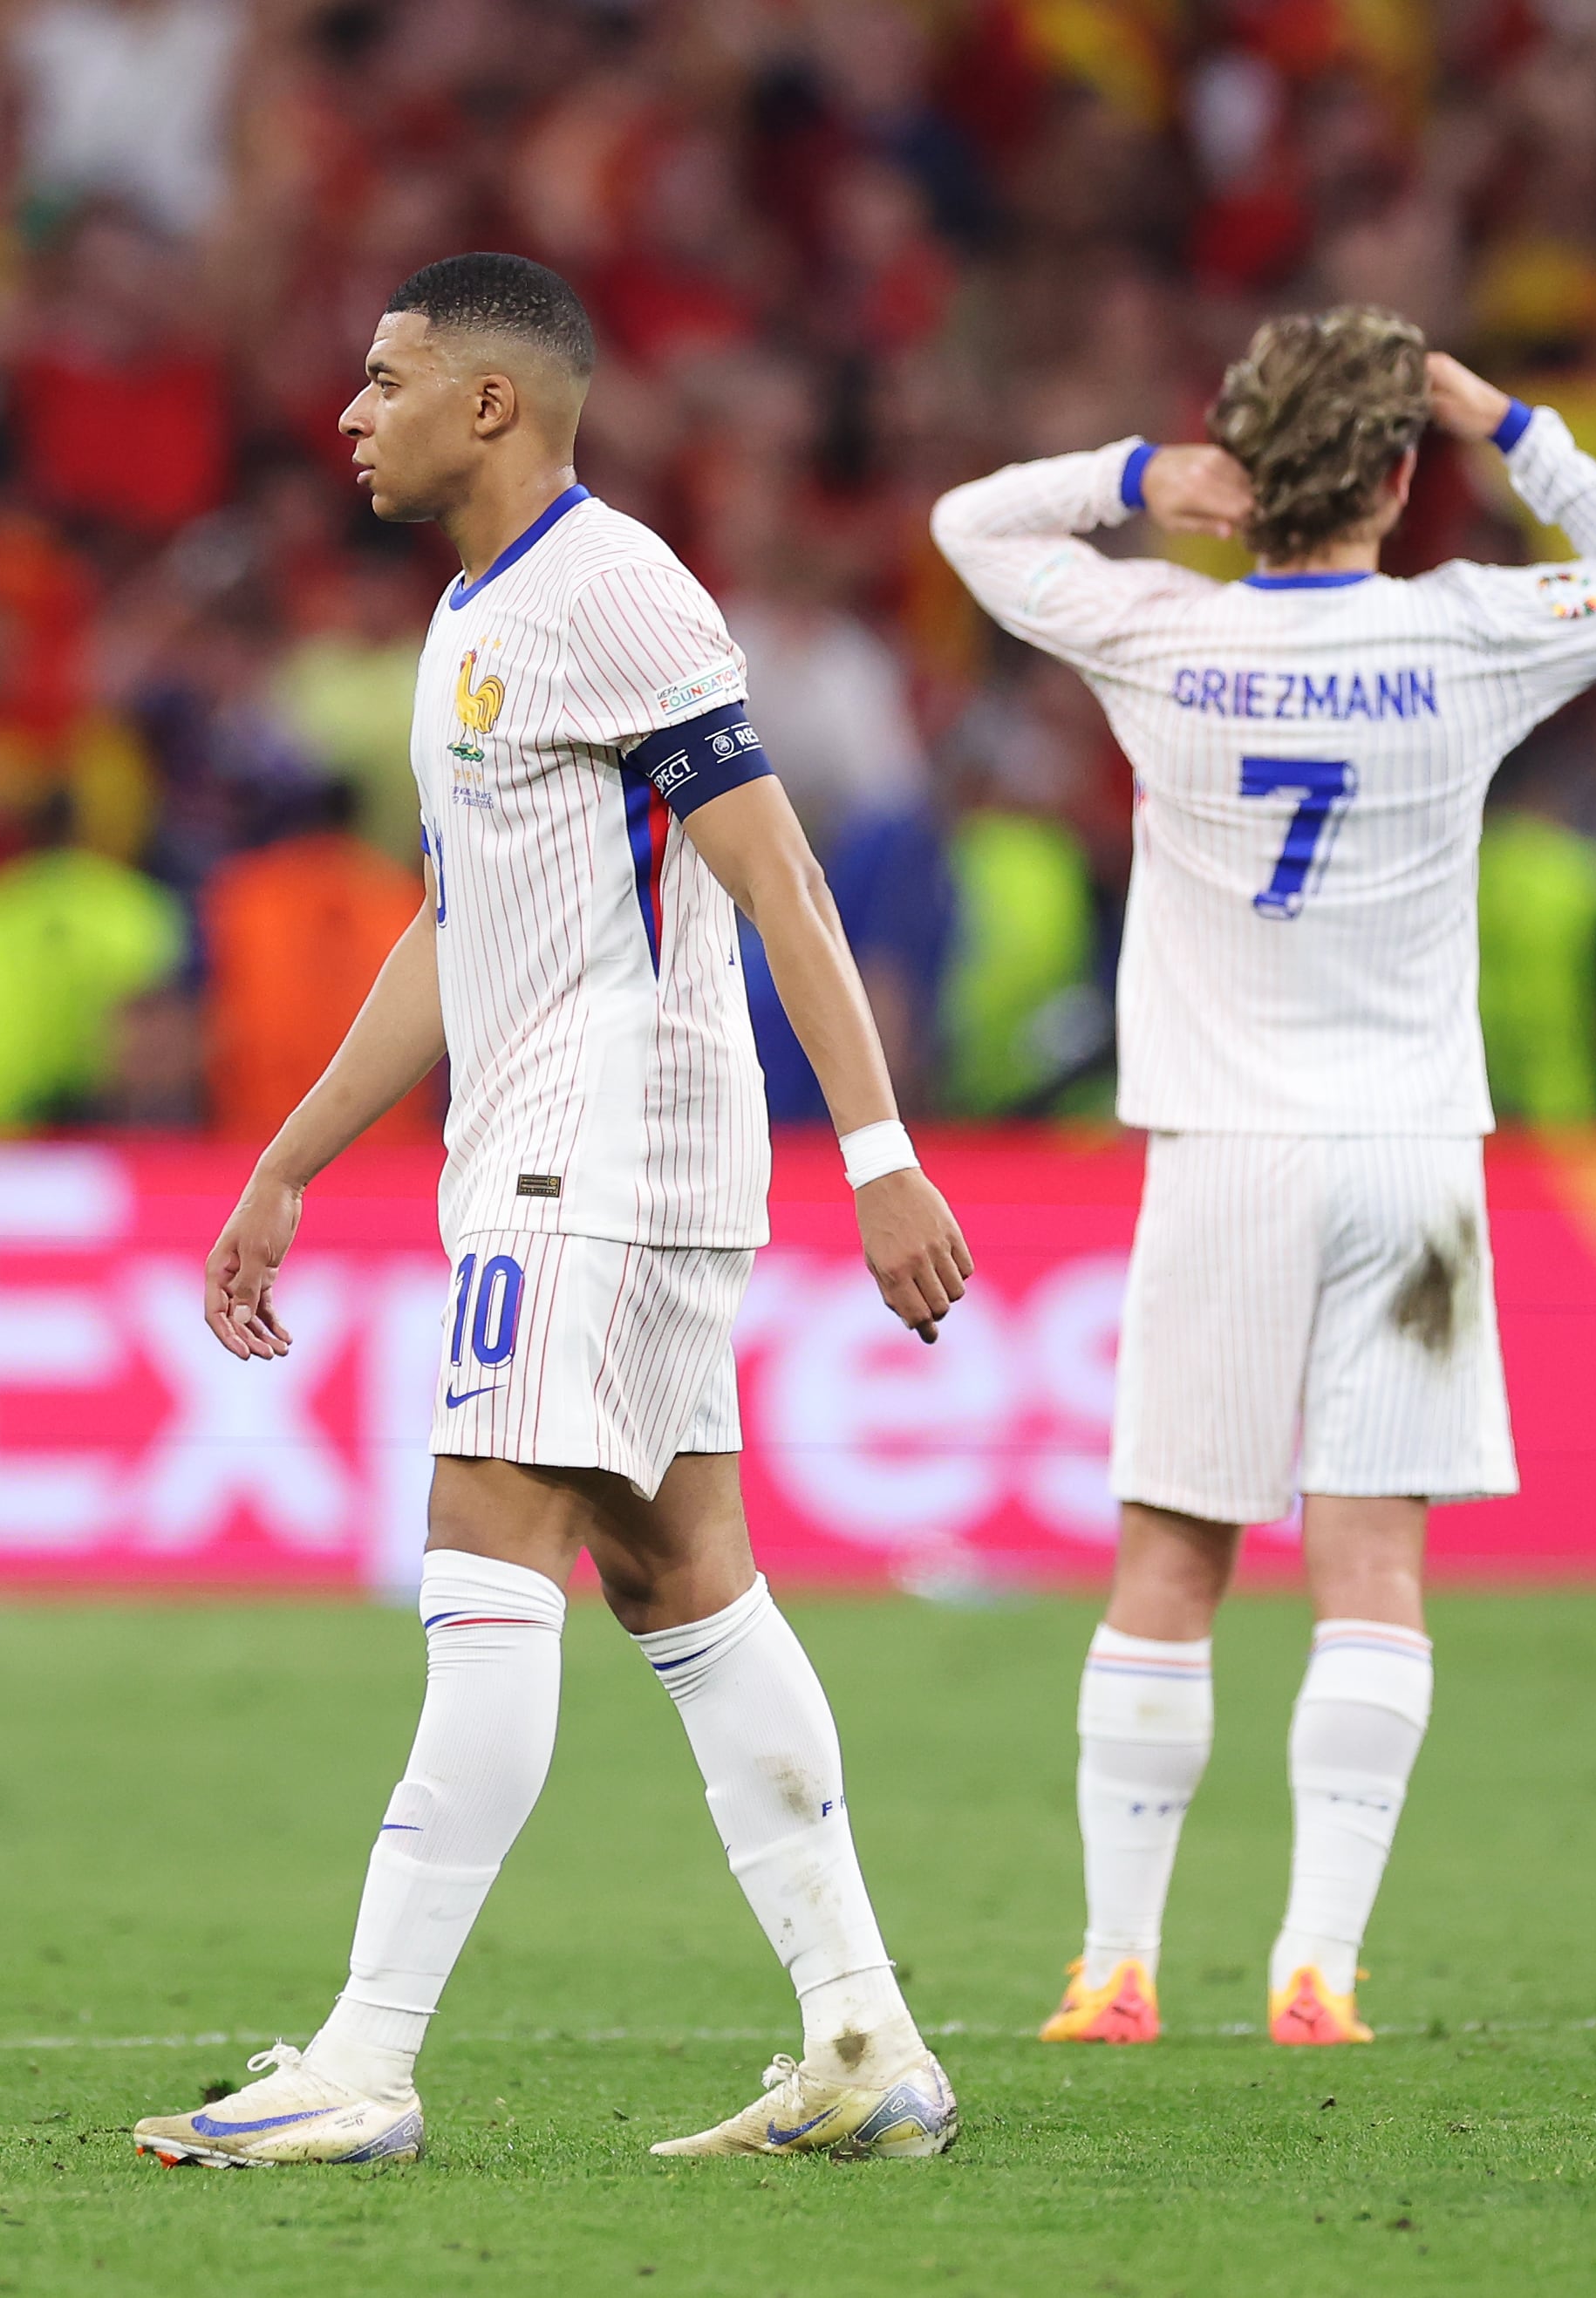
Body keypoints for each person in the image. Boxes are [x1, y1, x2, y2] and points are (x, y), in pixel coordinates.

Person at [133, 254, 974, 2170]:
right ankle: (866, 2042)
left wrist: (881, 1150)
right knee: (684, 1580)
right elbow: (457, 929)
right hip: (575, 1155)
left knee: (480, 1550)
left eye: (386, 377)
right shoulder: (467, 622)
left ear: (493, 404)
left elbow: (778, 874)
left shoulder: (612, 590)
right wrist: (287, 1164)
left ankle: (363, 2056)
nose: (350, 413)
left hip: (593, 1159)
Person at [931, 309, 1596, 2049]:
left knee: (1170, 1565)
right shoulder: (1466, 636)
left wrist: (1142, 480)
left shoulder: (1157, 628)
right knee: (1373, 1566)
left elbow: (971, 524)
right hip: (1412, 1161)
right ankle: (1319, 1970)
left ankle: (1114, 1965)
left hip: (1223, 1154)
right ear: (1393, 472)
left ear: (1243, 471)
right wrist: (1507, 421)